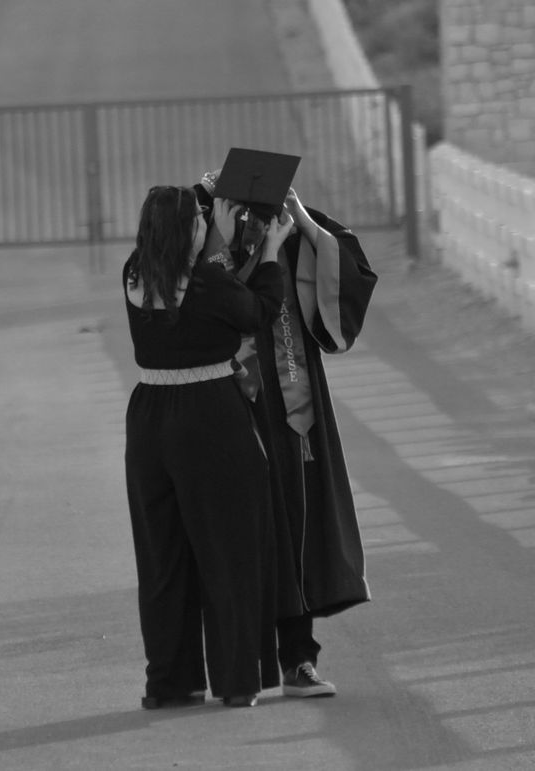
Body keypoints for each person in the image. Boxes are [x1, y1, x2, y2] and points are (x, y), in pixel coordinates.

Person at [194, 157, 378, 698]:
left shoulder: (291, 228)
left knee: (296, 523)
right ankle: (238, 668)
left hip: (292, 402)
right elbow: (174, 277)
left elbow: (347, 274)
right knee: (239, 531)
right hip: (226, 399)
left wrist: (301, 218)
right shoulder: (205, 229)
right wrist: (211, 219)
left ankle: (299, 659)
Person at [122, 184, 293, 708]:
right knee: (231, 551)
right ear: (188, 232)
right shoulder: (208, 286)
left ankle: (172, 683)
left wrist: (203, 216)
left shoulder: (134, 273)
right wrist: (268, 250)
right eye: (198, 218)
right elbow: (259, 311)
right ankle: (238, 681)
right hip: (210, 418)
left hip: (149, 419)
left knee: (163, 558)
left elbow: (178, 242)